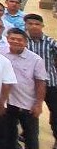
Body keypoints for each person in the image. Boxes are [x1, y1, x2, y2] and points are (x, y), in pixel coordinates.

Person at [0, 27, 47, 149]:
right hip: (7, 103)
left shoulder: (35, 59)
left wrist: (38, 104)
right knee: (8, 135)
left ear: (26, 42)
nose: (15, 41)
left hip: (27, 105)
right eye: (12, 39)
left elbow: (40, 83)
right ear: (7, 39)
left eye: (19, 40)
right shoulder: (0, 53)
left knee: (31, 137)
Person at [24, 12, 57, 144]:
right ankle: (28, 137)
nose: (34, 26)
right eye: (30, 24)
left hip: (51, 83)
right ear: (25, 25)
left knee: (55, 112)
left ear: (42, 26)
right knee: (28, 113)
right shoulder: (22, 42)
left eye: (37, 24)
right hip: (29, 85)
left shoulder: (51, 42)